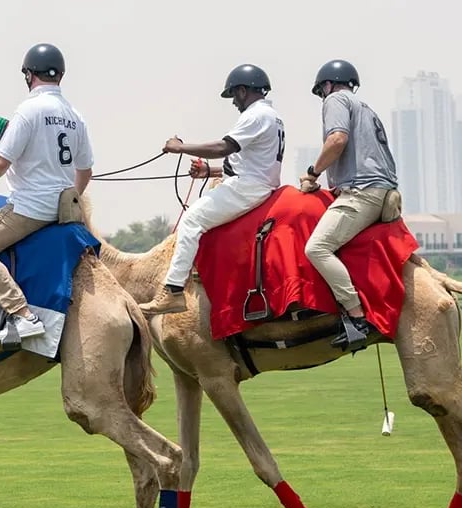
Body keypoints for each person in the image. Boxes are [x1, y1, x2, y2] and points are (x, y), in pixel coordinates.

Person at [0, 43, 94, 345]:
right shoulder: (75, 116)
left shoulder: (28, 110)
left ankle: (22, 315)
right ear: (60, 75)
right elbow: (86, 171)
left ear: (28, 75)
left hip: (30, 209)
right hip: (62, 209)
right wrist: (71, 198)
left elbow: (0, 161)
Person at [139, 64, 285, 315]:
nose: (234, 103)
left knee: (192, 220)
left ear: (242, 90)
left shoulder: (255, 115)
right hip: (252, 183)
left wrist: (179, 147)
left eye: (233, 96)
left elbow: (223, 148)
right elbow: (248, 161)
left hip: (247, 188)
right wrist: (209, 171)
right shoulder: (271, 116)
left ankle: (173, 290)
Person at [301, 60, 399, 348]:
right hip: (382, 191)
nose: (322, 96)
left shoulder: (335, 100)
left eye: (322, 90)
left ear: (328, 85)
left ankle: (357, 319)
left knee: (316, 248)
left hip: (362, 192)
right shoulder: (366, 108)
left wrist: (312, 173)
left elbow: (337, 139)